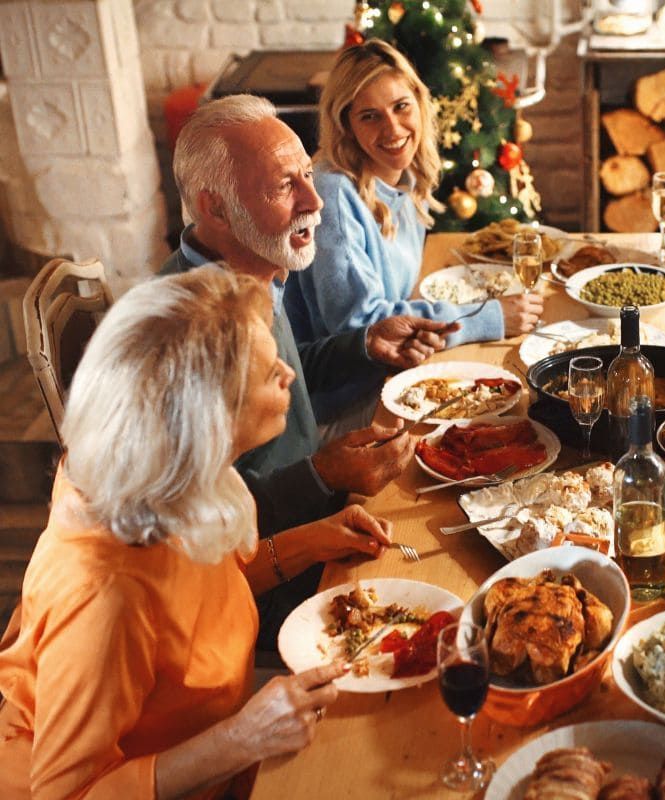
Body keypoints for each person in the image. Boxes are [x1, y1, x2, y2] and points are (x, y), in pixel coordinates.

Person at [0, 268, 378, 799]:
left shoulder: (166, 474)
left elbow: (209, 594)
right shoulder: (105, 596)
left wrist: (320, 538)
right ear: (209, 424)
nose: (290, 375)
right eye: (271, 374)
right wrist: (242, 738)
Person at [165, 95, 444, 645]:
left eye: (308, 175)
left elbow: (282, 378)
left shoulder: (256, 268)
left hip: (318, 510)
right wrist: (323, 476)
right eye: (283, 186)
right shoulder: (184, 337)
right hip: (261, 589)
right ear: (215, 208)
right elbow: (205, 532)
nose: (315, 201)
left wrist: (363, 344)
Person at [284, 39, 543, 356]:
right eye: (369, 116)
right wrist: (487, 317)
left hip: (402, 361)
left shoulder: (406, 178)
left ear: (419, 103)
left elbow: (398, 299)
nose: (392, 129)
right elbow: (362, 327)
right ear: (346, 125)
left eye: (400, 106)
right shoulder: (332, 193)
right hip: (351, 392)